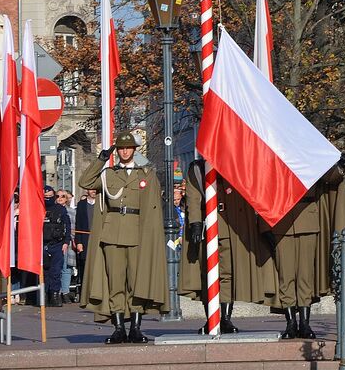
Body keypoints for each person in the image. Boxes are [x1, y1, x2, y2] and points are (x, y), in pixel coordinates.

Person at [78, 131, 168, 344]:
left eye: (128, 148)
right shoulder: (109, 174)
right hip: (113, 233)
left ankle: (136, 328)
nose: (125, 151)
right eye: (121, 148)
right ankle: (119, 328)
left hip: (137, 233)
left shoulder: (144, 173)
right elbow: (86, 181)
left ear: (134, 150)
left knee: (136, 282)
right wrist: (101, 159)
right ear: (117, 151)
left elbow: (154, 205)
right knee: (115, 282)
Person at [263, 153, 345, 339]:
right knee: (286, 276)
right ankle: (290, 323)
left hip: (308, 219)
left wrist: (341, 167)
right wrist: (266, 228)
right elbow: (264, 192)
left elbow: (330, 178)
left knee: (305, 276)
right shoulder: (275, 158)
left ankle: (304, 324)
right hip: (281, 221)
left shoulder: (309, 154)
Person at [179, 160, 241, 334]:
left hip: (228, 225)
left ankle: (226, 319)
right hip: (207, 226)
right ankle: (211, 318)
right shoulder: (197, 168)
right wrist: (196, 224)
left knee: (227, 274)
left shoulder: (231, 164)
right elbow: (192, 197)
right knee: (207, 275)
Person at [42, 186, 72, 307]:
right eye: (45, 197)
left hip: (57, 244)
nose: (48, 199)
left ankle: (54, 296)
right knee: (44, 272)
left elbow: (67, 226)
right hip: (42, 244)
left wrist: (66, 242)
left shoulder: (60, 209)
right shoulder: (37, 208)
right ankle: (44, 296)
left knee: (56, 271)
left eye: (50, 197)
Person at [56, 189, 77, 303]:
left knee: (67, 268)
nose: (60, 198)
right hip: (56, 243)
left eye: (62, 196)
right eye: (57, 196)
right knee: (56, 268)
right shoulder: (51, 210)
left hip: (68, 243)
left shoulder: (72, 212)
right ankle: (57, 291)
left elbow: (75, 227)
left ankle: (65, 291)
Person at [75, 189, 96, 296]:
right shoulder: (81, 205)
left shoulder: (102, 203)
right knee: (84, 265)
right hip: (85, 239)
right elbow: (78, 223)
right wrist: (78, 242)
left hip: (98, 239)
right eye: (92, 189)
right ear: (87, 191)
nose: (94, 191)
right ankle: (84, 293)